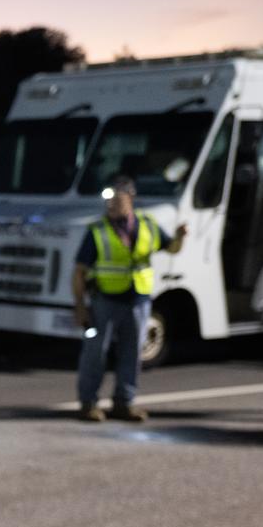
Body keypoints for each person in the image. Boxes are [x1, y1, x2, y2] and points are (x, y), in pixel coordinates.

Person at [71, 175, 186, 422]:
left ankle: (124, 402)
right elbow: (79, 272)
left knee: (132, 354)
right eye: (108, 200)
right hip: (103, 302)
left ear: (130, 197)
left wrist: (180, 237)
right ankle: (88, 402)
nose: (111, 205)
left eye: (116, 199)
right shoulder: (97, 231)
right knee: (94, 352)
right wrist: (80, 307)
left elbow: (172, 248)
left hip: (138, 302)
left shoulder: (148, 225)